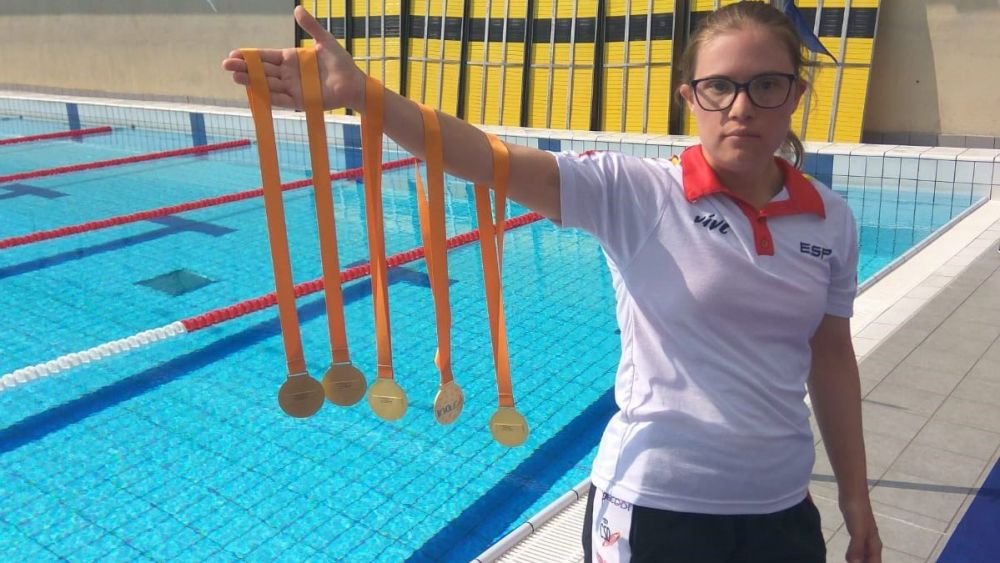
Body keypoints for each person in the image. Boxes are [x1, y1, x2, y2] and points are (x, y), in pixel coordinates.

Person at [222, 2, 882, 561]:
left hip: (780, 510)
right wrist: (364, 94)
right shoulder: (637, 193)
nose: (741, 107)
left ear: (796, 93)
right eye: (719, 87)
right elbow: (486, 159)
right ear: (690, 98)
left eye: (766, 85)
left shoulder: (831, 220)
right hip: (654, 507)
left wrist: (856, 500)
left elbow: (830, 357)